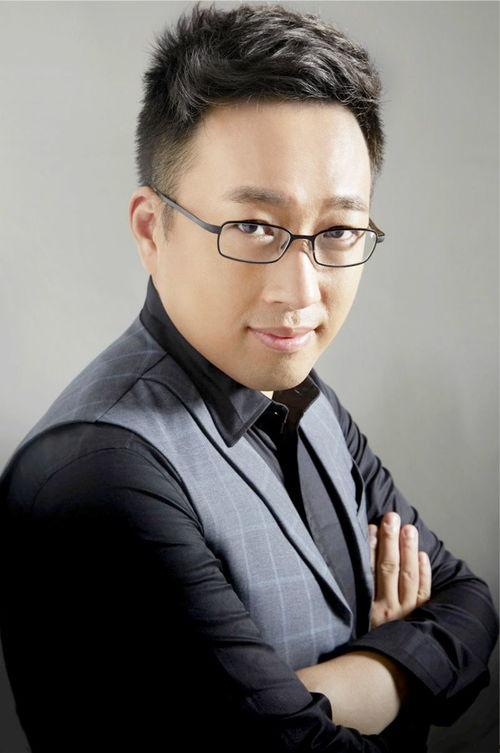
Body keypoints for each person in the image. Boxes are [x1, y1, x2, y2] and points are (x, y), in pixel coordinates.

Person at [0, 3, 497, 752]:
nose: (302, 292)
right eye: (256, 228)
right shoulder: (98, 472)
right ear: (152, 229)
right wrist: (403, 671)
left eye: (339, 231)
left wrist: (355, 680)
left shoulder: (305, 398)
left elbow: (468, 602)